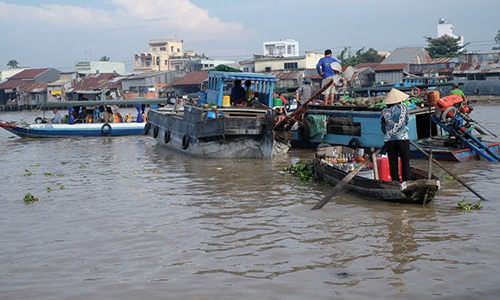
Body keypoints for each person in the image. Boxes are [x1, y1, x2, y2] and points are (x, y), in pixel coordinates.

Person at [380, 88, 411, 183]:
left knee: (393, 163)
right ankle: (406, 182)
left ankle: (395, 182)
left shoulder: (384, 111)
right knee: (405, 162)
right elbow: (407, 121)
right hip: (403, 139)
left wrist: (389, 134)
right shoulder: (404, 108)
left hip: (390, 141)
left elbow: (382, 126)